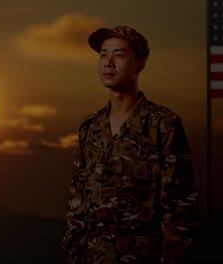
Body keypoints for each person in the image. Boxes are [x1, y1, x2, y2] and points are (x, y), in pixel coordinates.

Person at [62, 25, 199, 263]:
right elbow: (77, 207)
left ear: (140, 63)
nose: (108, 62)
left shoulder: (163, 125)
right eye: (103, 54)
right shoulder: (91, 128)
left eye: (119, 54)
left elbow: (180, 212)